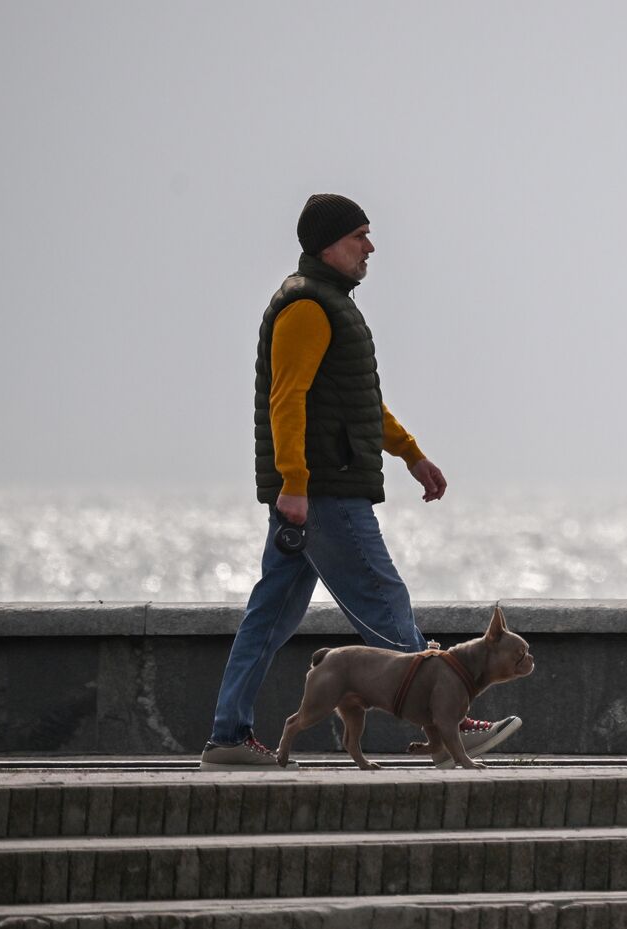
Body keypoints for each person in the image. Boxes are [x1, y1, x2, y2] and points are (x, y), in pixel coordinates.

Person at [200, 193, 521, 769]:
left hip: (315, 490)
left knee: (268, 619)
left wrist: (410, 454)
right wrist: (294, 483)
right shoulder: (307, 307)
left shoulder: (331, 305)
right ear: (329, 245)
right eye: (359, 236)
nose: (370, 247)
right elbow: (286, 398)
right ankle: (447, 726)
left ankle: (228, 737)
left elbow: (361, 405)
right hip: (325, 491)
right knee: (383, 597)